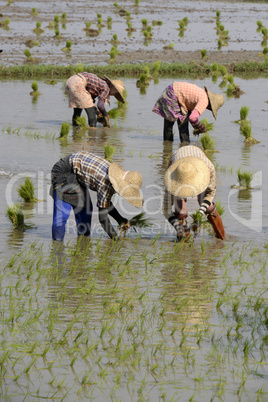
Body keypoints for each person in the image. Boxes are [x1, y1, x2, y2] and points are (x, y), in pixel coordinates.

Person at [50, 152, 143, 241]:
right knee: (61, 215)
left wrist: (120, 220)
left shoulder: (113, 178)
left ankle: (83, 244)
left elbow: (106, 203)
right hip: (63, 171)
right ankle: (57, 247)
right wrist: (116, 241)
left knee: (85, 211)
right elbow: (103, 219)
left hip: (77, 173)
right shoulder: (106, 182)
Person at [163, 145, 225, 241]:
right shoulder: (171, 179)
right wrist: (178, 227)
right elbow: (166, 210)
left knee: (208, 207)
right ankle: (183, 241)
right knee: (180, 211)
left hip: (197, 163)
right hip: (177, 160)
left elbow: (210, 194)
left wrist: (199, 216)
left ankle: (221, 237)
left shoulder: (208, 169)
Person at [152, 81, 224, 143]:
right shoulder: (204, 101)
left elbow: (188, 104)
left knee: (168, 125)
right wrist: (201, 127)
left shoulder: (202, 93)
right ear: (211, 105)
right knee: (182, 125)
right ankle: (184, 146)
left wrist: (195, 126)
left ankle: (167, 148)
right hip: (173, 96)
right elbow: (192, 118)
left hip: (170, 91)